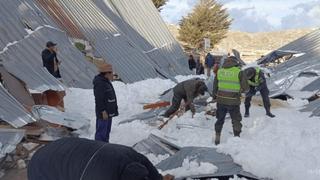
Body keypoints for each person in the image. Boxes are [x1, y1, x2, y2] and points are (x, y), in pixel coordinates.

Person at [28, 138, 175, 180]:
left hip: (66, 147)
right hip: (43, 165)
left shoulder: (135, 158)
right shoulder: (102, 176)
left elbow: (153, 175)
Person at [212, 56, 248, 145]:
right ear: (236, 63)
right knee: (236, 119)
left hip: (221, 101)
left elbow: (215, 86)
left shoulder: (220, 71)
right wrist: (240, 91)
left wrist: (215, 96)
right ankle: (236, 137)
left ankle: (217, 137)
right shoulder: (239, 72)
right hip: (233, 101)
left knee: (220, 119)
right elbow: (246, 88)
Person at [93, 63, 118, 143]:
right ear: (106, 73)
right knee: (101, 133)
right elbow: (99, 99)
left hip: (108, 111)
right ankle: (99, 149)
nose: (112, 74)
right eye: (111, 73)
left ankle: (105, 147)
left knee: (106, 132)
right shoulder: (100, 83)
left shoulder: (105, 81)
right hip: (104, 113)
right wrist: (103, 111)